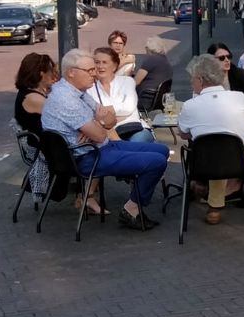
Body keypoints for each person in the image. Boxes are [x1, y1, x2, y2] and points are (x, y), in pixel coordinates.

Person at [42, 48, 170, 229]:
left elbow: (109, 121)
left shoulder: (77, 92)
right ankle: (132, 209)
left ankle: (134, 194)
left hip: (99, 147)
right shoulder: (66, 99)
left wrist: (95, 124)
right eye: (90, 70)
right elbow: (103, 131)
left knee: (162, 150)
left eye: (94, 69)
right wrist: (97, 125)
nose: (94, 74)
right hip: (87, 158)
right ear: (71, 72)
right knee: (157, 161)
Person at [177, 54, 244, 225]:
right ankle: (218, 203)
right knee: (226, 148)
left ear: (201, 79)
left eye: (192, 79)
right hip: (240, 160)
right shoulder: (239, 96)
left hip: (203, 163)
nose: (191, 83)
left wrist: (201, 130)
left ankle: (212, 202)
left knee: (212, 150)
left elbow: (182, 134)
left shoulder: (190, 105)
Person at [13, 53, 58, 207]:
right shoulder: (33, 98)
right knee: (88, 151)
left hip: (43, 142)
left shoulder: (34, 93)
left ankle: (85, 196)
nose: (54, 75)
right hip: (40, 147)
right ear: (41, 74)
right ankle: (86, 197)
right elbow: (60, 115)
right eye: (51, 71)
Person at [88, 47, 155, 143]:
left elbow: (128, 108)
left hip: (133, 129)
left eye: (104, 62)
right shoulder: (90, 88)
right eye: (97, 62)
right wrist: (117, 114)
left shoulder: (127, 81)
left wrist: (104, 113)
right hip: (106, 133)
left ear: (114, 66)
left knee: (136, 142)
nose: (100, 66)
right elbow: (91, 115)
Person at [208, 42, 244, 114]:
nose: (227, 60)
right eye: (221, 58)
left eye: (228, 56)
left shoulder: (239, 74)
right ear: (211, 60)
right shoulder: (207, 78)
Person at [133, 36, 173, 111]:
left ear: (149, 49)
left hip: (146, 99)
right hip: (160, 100)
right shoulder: (166, 62)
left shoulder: (150, 59)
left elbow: (135, 82)